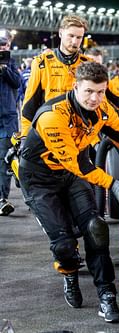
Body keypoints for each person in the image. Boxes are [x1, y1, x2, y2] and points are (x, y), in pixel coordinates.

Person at [18, 61, 119, 322]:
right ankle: (69, 272)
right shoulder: (53, 116)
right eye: (89, 92)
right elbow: (80, 163)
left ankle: (107, 295)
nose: (95, 98)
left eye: (101, 92)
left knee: (96, 229)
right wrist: (114, 185)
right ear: (75, 87)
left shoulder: (102, 108)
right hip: (39, 179)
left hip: (71, 175)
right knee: (63, 244)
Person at [20, 14, 119, 139]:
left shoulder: (89, 64)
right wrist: (25, 137)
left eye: (79, 37)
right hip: (51, 132)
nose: (75, 41)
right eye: (71, 36)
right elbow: (30, 103)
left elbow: (113, 94)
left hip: (83, 134)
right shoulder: (42, 63)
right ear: (61, 33)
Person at [0, 31, 21, 216]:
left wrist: (4, 70)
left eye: (4, 46)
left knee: (4, 159)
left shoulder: (11, 64)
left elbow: (17, 84)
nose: (2, 49)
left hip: (7, 120)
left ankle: (2, 199)